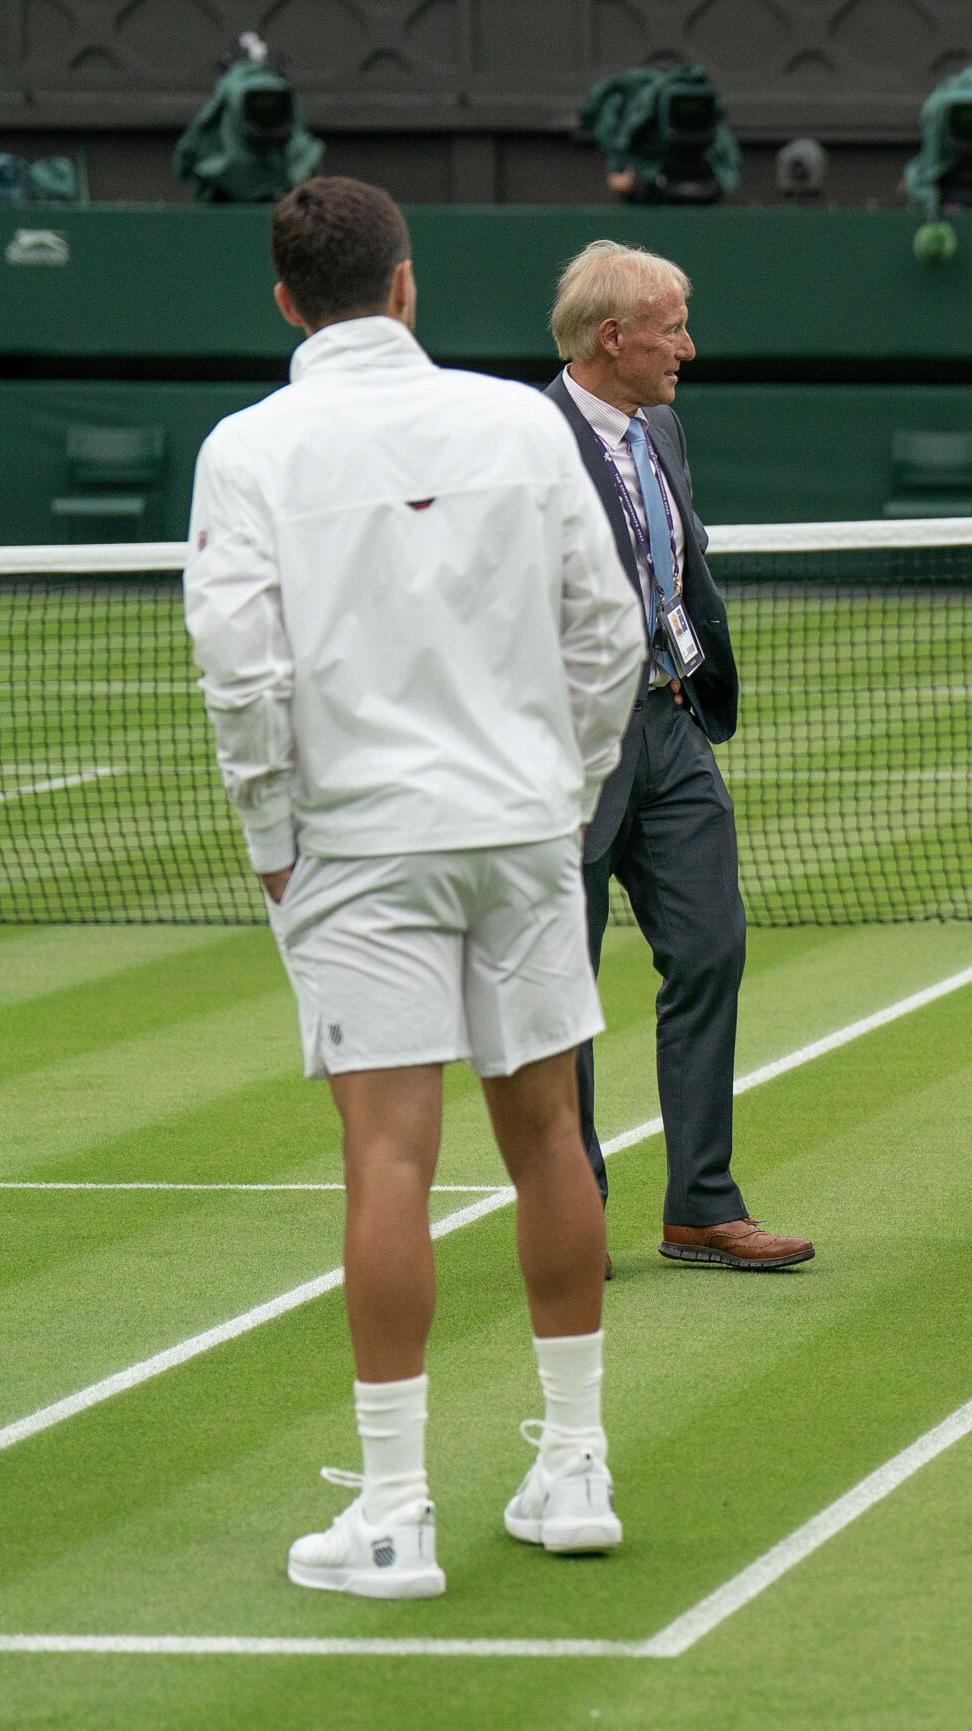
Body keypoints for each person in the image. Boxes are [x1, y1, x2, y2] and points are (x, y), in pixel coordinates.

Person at [183, 178, 646, 1598]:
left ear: (285, 302)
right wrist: (559, 786)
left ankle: (394, 1514)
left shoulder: (245, 448)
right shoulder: (519, 420)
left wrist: (275, 829)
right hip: (513, 830)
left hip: (359, 843)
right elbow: (610, 629)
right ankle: (575, 1466)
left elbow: (240, 668)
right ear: (404, 286)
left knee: (389, 1156)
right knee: (549, 1134)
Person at [543, 240, 814, 1272]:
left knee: (709, 951)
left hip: (671, 724)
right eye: (671, 328)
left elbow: (679, 560)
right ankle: (570, 1208)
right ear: (612, 337)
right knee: (558, 983)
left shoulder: (660, 426)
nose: (687, 348)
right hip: (569, 747)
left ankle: (701, 1204)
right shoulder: (526, 443)